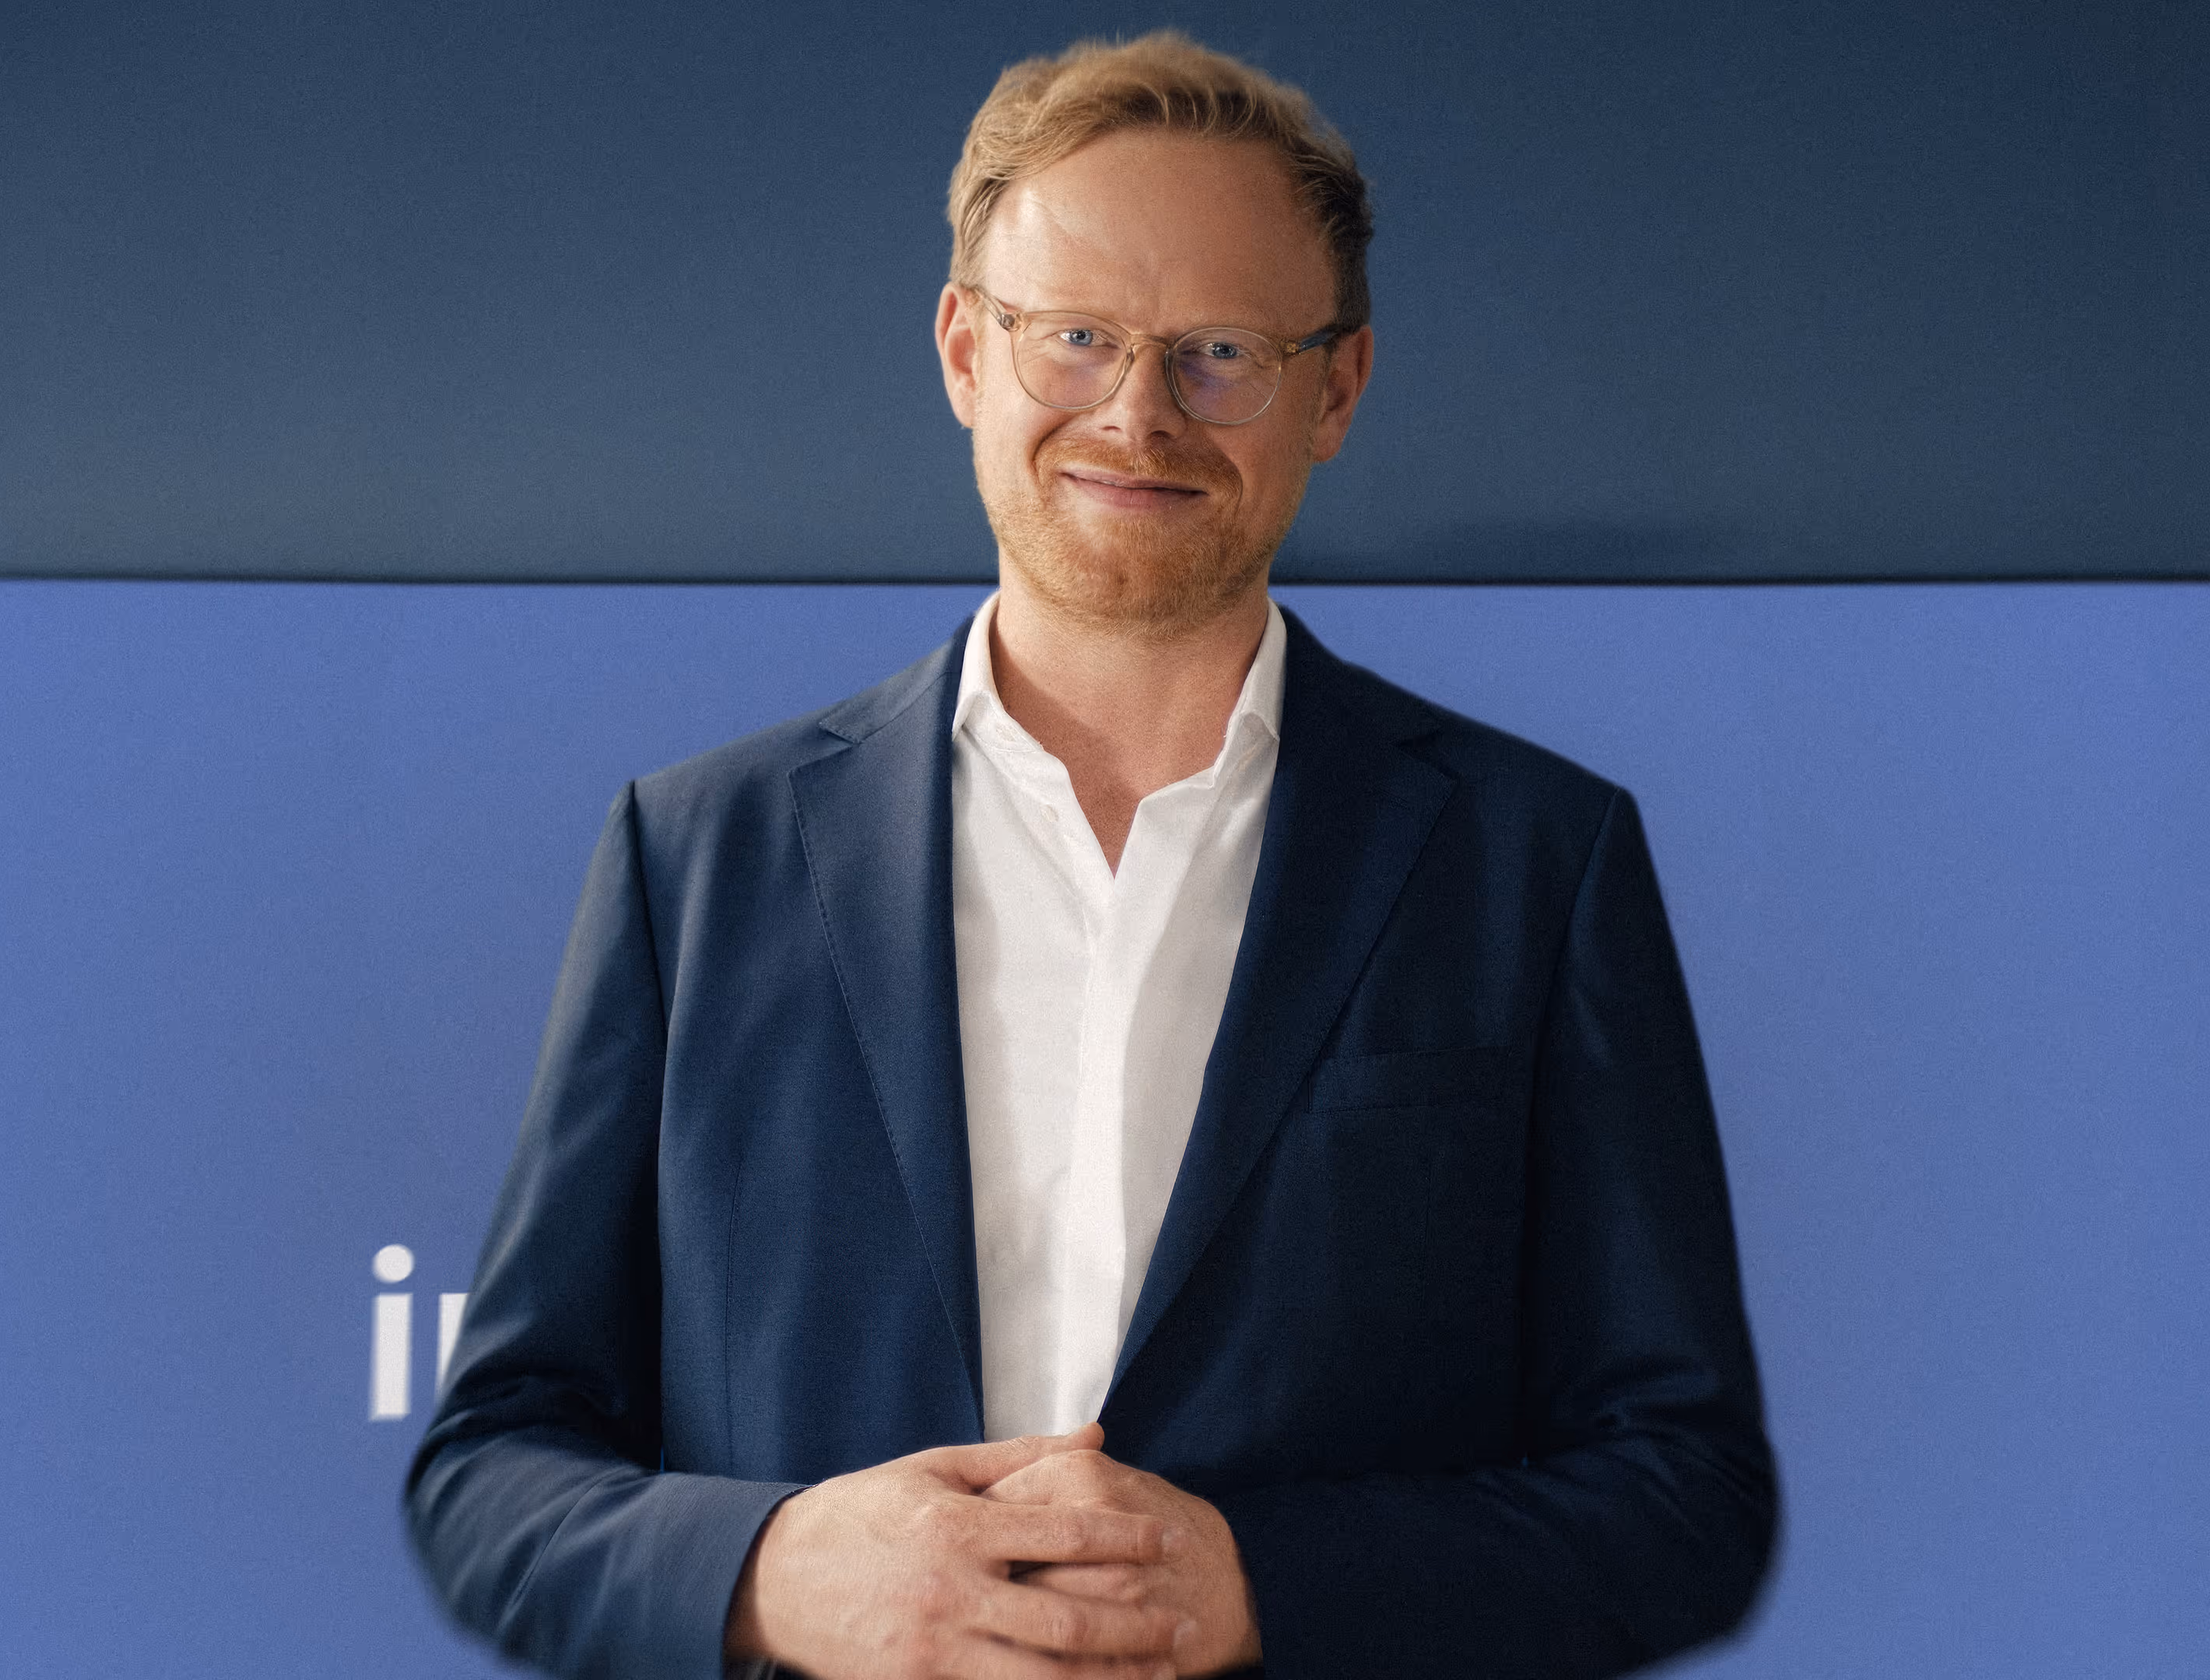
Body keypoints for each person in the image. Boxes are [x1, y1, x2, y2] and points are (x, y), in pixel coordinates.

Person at [406, 31, 1774, 1680]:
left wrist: (1263, 1581)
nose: (1137, 413)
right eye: (1073, 338)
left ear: (1332, 388)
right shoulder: (693, 859)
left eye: (1218, 350)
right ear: (963, 353)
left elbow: (1681, 1488)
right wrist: (769, 1569)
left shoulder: (1533, 861)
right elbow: (491, 1466)